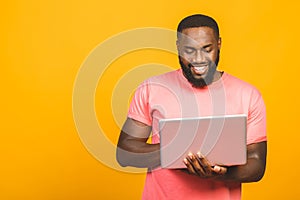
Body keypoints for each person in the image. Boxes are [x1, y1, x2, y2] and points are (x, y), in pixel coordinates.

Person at [116, 14, 267, 200]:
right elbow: (125, 153)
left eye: (206, 49)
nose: (198, 59)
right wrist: (179, 149)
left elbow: (257, 164)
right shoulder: (151, 89)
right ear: (178, 47)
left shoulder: (248, 95)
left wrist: (218, 173)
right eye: (189, 50)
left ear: (218, 44)